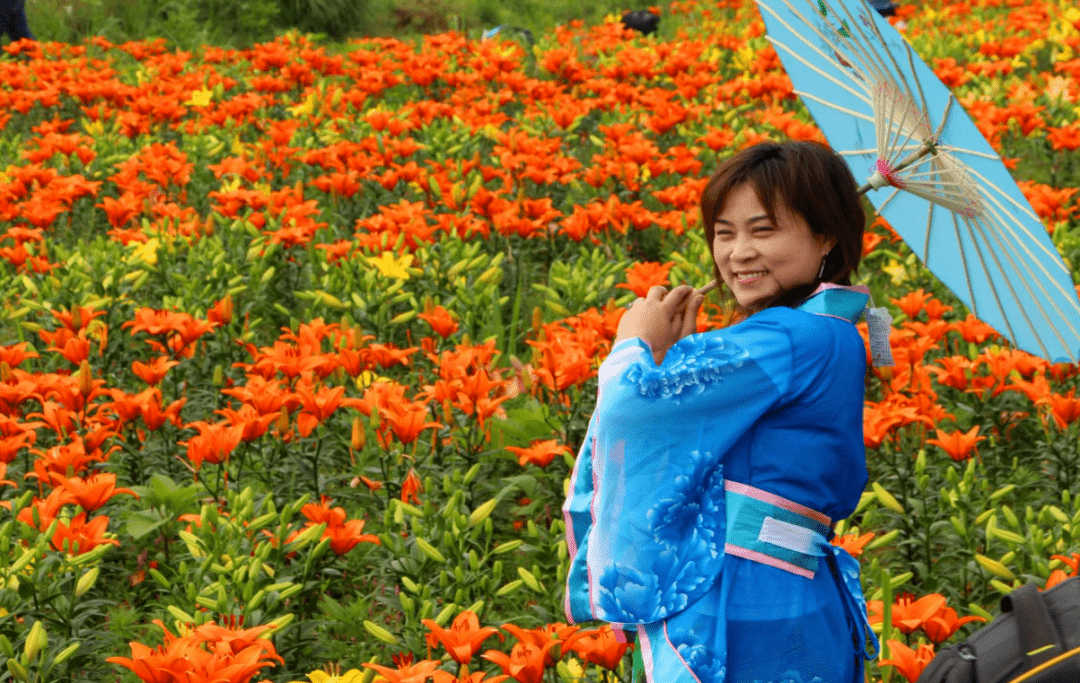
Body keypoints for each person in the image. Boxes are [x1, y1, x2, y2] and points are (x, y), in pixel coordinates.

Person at [563, 140, 880, 683]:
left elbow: (639, 409)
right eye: (724, 233)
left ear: (825, 235)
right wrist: (676, 357)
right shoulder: (834, 332)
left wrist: (633, 346)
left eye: (763, 230)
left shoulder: (789, 335)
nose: (738, 253)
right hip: (797, 590)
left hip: (743, 602)